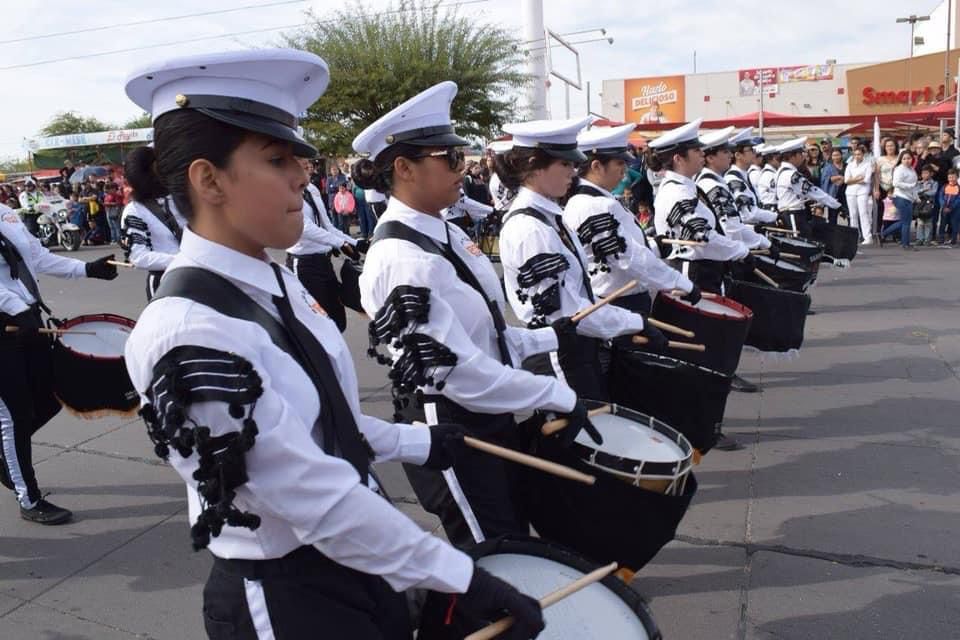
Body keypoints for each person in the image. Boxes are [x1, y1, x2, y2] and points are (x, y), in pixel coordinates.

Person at [122, 50, 545, 640]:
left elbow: (320, 424)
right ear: (208, 179)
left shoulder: (273, 280)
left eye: (299, 158)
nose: (303, 176)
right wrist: (458, 575)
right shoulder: (188, 328)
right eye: (276, 159)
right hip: (289, 594)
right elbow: (301, 488)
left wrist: (417, 441)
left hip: (352, 559)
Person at [355, 81, 593, 551]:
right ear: (403, 168)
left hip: (486, 413)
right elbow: (459, 372)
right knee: (495, 556)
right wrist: (554, 392)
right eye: (450, 159)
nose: (463, 170)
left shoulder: (442, 232)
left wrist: (548, 337)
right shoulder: (403, 256)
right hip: (453, 423)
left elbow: (486, 334)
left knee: (515, 541)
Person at [497, 118, 658, 403]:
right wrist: (634, 322)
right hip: (558, 356)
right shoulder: (530, 228)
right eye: (565, 164)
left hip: (573, 348)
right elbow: (568, 312)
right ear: (535, 165)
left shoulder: (549, 218)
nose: (574, 171)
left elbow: (578, 292)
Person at [0, 202, 117, 525]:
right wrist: (14, 308)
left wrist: (86, 269)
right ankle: (30, 498)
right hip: (4, 326)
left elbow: (36, 257)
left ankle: (7, 457)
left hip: (28, 319)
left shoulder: (5, 213)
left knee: (51, 397)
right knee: (15, 416)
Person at [650, 119, 752, 447]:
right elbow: (701, 237)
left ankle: (703, 425)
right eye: (696, 150)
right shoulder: (676, 192)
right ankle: (699, 429)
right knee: (699, 356)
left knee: (708, 351)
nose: (702, 154)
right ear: (679, 158)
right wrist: (739, 249)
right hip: (690, 274)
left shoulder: (688, 187)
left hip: (703, 270)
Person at [563, 122, 697, 317]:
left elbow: (614, 247)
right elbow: (627, 258)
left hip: (620, 300)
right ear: (597, 166)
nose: (625, 170)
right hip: (617, 303)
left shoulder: (597, 200)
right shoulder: (593, 205)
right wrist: (681, 283)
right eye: (620, 163)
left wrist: (653, 246)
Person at [286, 157, 360, 333]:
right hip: (304, 263)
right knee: (315, 324)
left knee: (337, 319)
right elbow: (304, 227)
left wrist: (356, 243)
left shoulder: (311, 189)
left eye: (308, 167)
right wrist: (339, 243)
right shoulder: (288, 192)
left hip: (322, 261)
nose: (308, 171)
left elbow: (327, 225)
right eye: (303, 167)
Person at [120, 146, 186, 300]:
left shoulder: (184, 198)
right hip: (167, 283)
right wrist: (186, 260)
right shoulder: (135, 210)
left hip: (207, 277)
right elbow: (139, 256)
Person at [775, 137, 841, 237]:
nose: (803, 156)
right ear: (793, 156)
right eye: (801, 154)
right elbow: (813, 191)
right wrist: (836, 204)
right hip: (794, 215)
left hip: (789, 214)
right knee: (800, 247)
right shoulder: (792, 175)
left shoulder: (780, 172)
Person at [725, 128, 779, 227]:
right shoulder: (733, 179)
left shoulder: (744, 176)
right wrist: (775, 216)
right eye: (751, 150)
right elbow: (749, 214)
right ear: (738, 155)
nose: (755, 153)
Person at [885, 149, 918, 249]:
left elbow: (915, 186)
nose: (907, 160)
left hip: (909, 198)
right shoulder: (899, 169)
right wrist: (910, 185)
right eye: (904, 159)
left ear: (912, 159)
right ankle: (905, 244)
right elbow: (896, 183)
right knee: (906, 222)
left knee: (904, 221)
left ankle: (883, 234)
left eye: (908, 158)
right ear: (901, 159)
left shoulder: (912, 169)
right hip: (901, 197)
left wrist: (916, 197)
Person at [844, 145, 874, 244]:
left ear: (863, 155)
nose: (857, 156)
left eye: (859, 154)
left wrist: (854, 179)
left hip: (863, 191)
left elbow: (866, 180)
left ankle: (867, 237)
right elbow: (846, 180)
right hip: (850, 192)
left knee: (863, 213)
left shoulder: (867, 164)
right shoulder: (850, 164)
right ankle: (855, 236)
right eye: (855, 154)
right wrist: (858, 178)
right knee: (853, 215)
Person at [915, 164, 939, 246]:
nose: (924, 175)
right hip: (920, 205)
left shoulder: (934, 183)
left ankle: (927, 240)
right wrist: (924, 190)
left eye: (926, 173)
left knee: (928, 223)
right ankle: (919, 239)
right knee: (920, 223)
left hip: (929, 205)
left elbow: (933, 192)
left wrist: (922, 193)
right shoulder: (919, 183)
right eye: (923, 173)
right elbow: (916, 192)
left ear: (931, 174)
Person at [821, 148, 846, 224]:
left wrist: (842, 179)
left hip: (846, 194)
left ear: (841, 155)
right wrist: (838, 177)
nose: (836, 157)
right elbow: (825, 180)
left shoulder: (847, 166)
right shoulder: (828, 167)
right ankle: (833, 233)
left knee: (848, 214)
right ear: (831, 157)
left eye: (837, 155)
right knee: (832, 217)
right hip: (833, 194)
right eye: (834, 155)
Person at [754, 144, 781, 211]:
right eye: (779, 159)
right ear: (773, 159)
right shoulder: (769, 174)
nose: (781, 162)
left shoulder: (772, 172)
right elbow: (779, 192)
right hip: (770, 207)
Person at [938, 168, 960, 244]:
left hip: (955, 211)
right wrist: (943, 206)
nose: (951, 179)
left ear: (957, 177)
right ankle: (941, 239)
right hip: (944, 209)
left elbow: (958, 200)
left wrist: (951, 207)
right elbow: (940, 196)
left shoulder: (958, 188)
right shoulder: (945, 187)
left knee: (955, 225)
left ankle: (953, 239)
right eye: (950, 177)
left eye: (953, 177)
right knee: (942, 224)